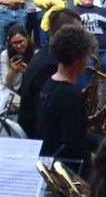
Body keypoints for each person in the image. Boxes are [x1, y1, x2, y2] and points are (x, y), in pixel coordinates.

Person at [35, 24, 98, 166]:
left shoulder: (49, 83)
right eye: (86, 56)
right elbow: (73, 147)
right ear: (78, 59)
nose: (87, 62)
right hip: (64, 165)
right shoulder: (70, 95)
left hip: (48, 154)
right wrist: (98, 159)